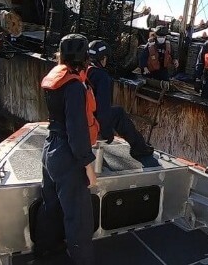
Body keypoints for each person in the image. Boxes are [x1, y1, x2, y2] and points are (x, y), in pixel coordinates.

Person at [35, 34, 97, 265]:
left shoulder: (55, 81)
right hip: (67, 155)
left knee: (50, 206)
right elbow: (77, 130)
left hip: (50, 148)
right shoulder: (74, 87)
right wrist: (88, 166)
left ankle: (45, 252)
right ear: (84, 58)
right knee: (79, 219)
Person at [87, 39, 155, 161]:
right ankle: (139, 148)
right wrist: (107, 133)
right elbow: (103, 109)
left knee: (116, 111)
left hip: (82, 117)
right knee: (119, 113)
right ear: (103, 58)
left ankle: (139, 146)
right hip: (92, 121)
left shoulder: (84, 70)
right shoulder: (102, 77)